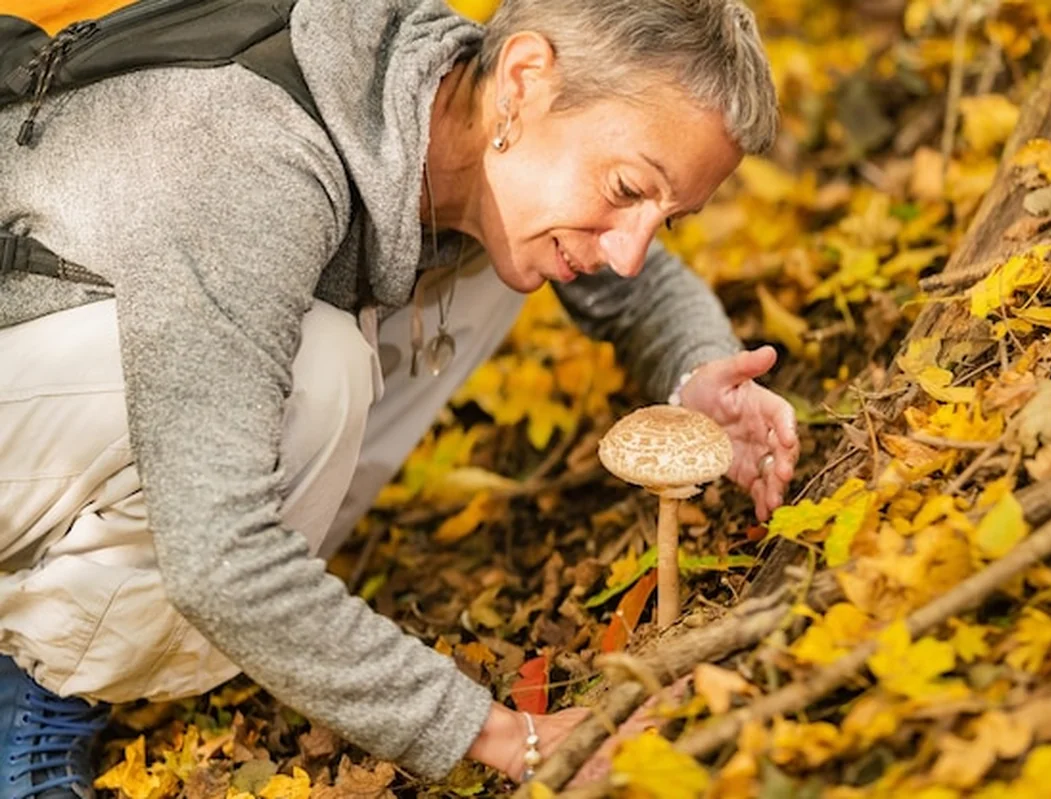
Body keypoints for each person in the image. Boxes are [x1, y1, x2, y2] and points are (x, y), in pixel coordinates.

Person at [0, 0, 800, 794]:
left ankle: (254, 605)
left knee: (523, 249)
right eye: (628, 187)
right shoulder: (254, 151)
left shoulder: (443, 100)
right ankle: (36, 679)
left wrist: (699, 370)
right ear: (524, 77)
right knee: (321, 374)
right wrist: (501, 734)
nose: (631, 251)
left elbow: (636, 285)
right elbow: (219, 552)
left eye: (669, 218)